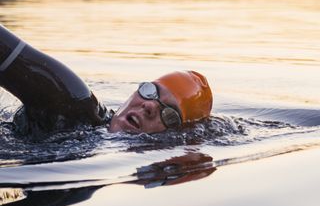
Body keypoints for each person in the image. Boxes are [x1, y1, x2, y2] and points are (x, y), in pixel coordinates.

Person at [0, 24, 213, 137]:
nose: (149, 105)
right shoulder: (73, 102)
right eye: (151, 91)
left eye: (169, 114)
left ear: (177, 135)